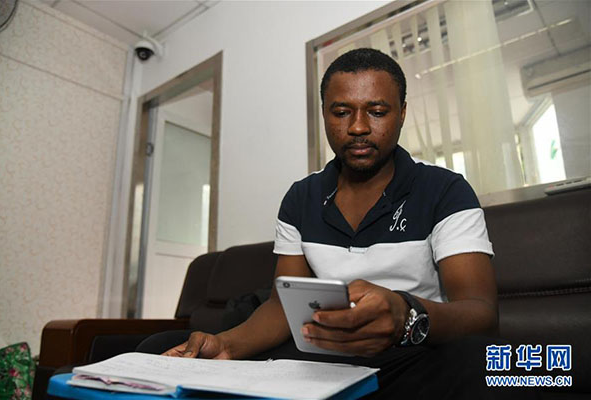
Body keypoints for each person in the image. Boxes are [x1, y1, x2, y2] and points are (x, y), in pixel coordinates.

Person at [157, 48, 525, 399]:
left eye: (377, 111)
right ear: (324, 115)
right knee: (161, 346)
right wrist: (226, 344)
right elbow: (282, 306)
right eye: (341, 112)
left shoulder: (445, 190)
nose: (358, 127)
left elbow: (481, 313)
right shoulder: (300, 198)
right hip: (322, 356)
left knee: (488, 365)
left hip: (410, 354)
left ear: (402, 113)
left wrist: (405, 314)